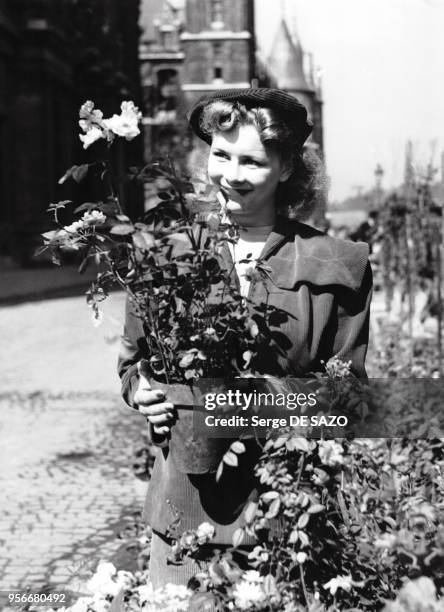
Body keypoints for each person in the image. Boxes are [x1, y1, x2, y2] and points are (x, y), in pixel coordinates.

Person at [118, 88, 372, 587]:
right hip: (183, 518)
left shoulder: (338, 265)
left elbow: (353, 399)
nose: (231, 175)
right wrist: (140, 391)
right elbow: (134, 366)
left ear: (286, 168)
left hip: (288, 519)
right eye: (221, 154)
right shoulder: (163, 256)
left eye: (252, 161)